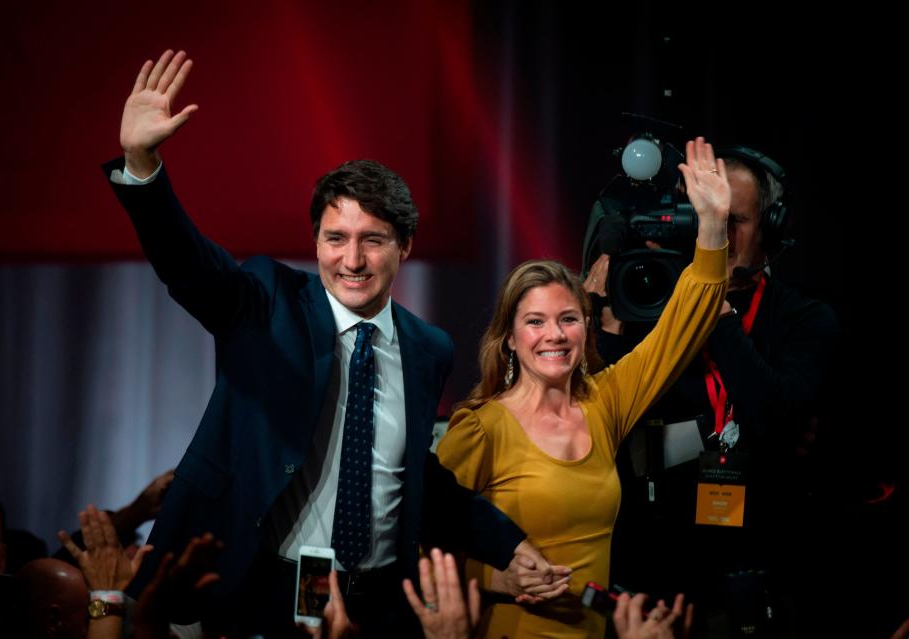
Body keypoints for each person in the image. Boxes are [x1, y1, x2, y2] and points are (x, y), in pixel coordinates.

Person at [104, 49, 560, 636]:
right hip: (261, 587)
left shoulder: (428, 349)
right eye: (335, 237)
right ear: (315, 239)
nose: (351, 260)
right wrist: (143, 166)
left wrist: (507, 543)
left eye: (372, 240)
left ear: (406, 247)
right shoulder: (267, 301)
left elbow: (409, 473)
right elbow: (189, 266)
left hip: (379, 602)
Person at [436, 137, 730, 637]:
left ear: (585, 328)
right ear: (509, 338)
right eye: (535, 322)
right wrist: (495, 577)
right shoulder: (481, 429)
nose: (553, 334)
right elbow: (428, 545)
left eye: (568, 318)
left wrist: (713, 226)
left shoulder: (604, 401)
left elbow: (684, 326)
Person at [589, 146, 839, 635]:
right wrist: (606, 321)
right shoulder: (647, 302)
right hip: (656, 579)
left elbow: (775, 419)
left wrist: (713, 308)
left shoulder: (805, 318)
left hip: (759, 577)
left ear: (771, 229)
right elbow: (605, 421)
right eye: (705, 220)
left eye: (733, 220)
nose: (717, 235)